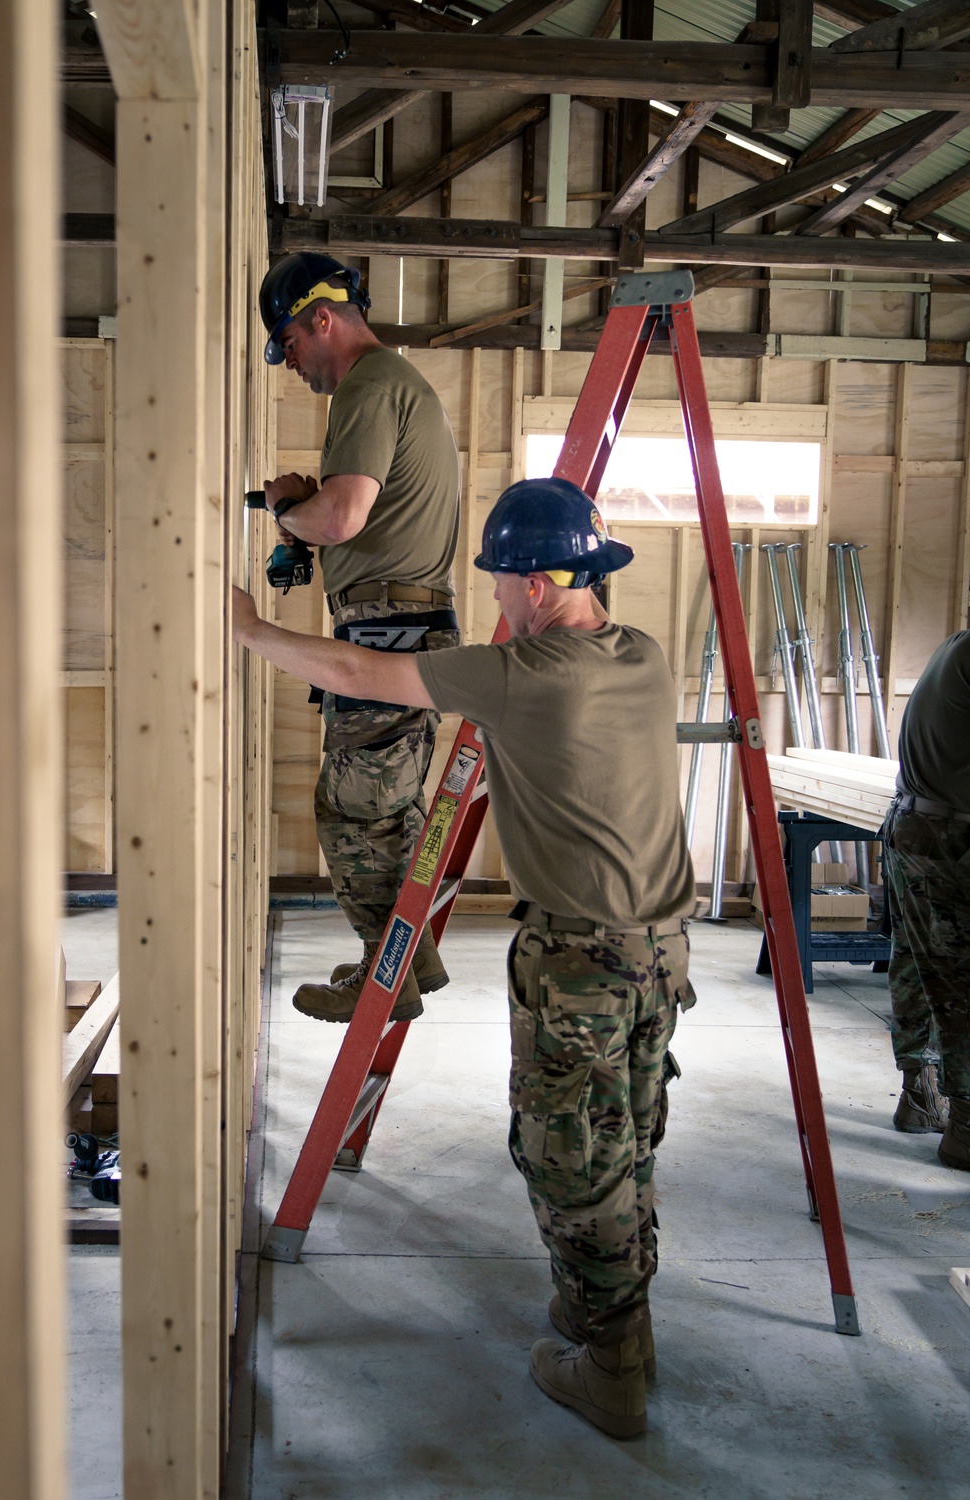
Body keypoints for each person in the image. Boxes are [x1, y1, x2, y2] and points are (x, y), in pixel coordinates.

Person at [232, 477, 697, 1439]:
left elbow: (360, 675)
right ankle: (607, 1315)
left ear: (534, 584)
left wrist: (254, 632)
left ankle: (611, 1368)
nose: (492, 602)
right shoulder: (641, 656)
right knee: (627, 1141)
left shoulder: (524, 675)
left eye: (497, 584)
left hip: (581, 965)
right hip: (662, 954)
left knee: (570, 1162)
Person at [258, 252, 462, 1024]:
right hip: (411, 630)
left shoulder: (369, 385)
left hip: (389, 638)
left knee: (350, 817)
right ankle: (408, 963)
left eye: (290, 346)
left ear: (321, 319)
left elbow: (341, 518)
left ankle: (387, 983)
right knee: (388, 815)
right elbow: (360, 515)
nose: (293, 366)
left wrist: (287, 512)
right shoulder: (400, 387)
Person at [882, 630, 970, 1171]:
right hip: (947, 839)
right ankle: (965, 1127)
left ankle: (921, 1093)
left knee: (919, 965)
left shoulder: (956, 645)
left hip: (918, 827)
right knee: (960, 983)